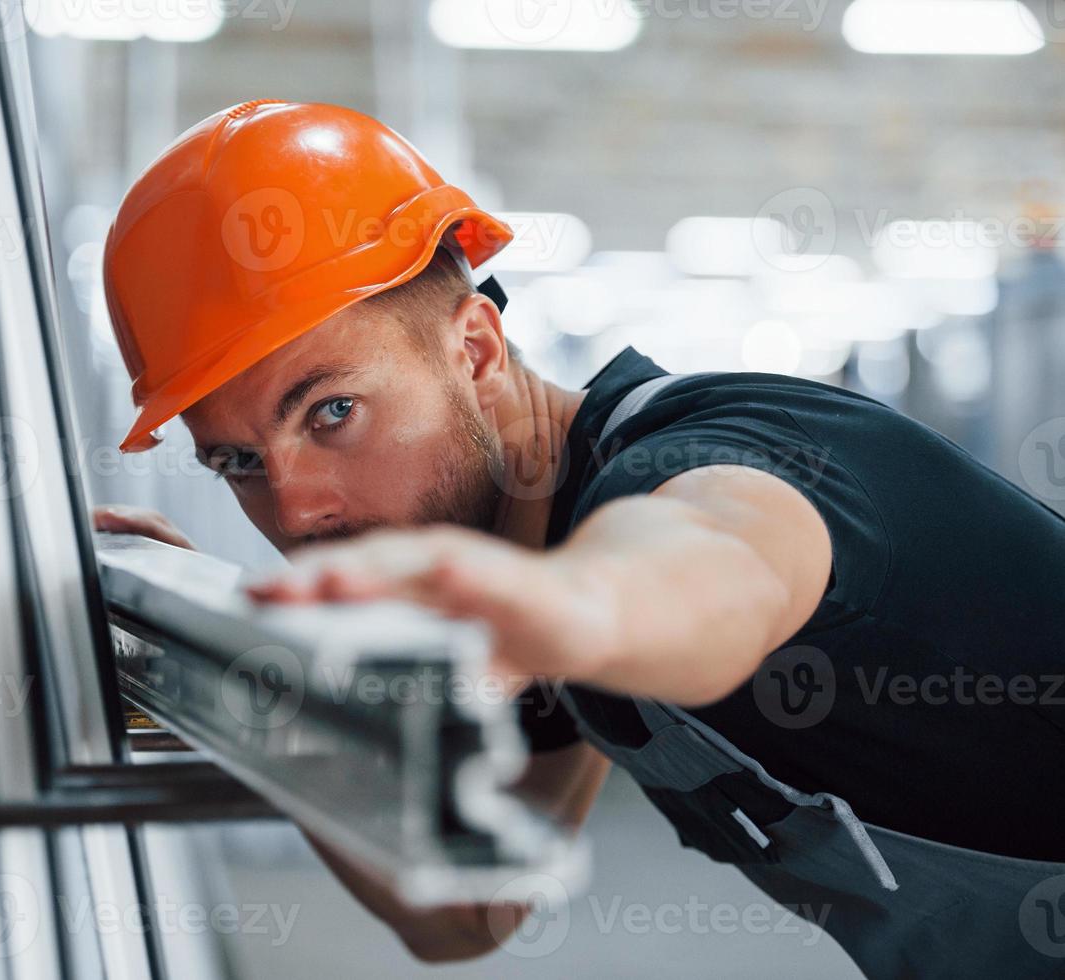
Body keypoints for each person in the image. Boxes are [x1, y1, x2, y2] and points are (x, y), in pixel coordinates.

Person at [92, 100, 1065, 976]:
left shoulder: (709, 461)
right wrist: (223, 672)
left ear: (472, 349)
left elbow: (709, 559)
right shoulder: (536, 551)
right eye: (236, 461)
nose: (296, 511)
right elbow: (467, 914)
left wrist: (565, 608)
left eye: (334, 409)